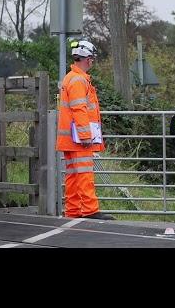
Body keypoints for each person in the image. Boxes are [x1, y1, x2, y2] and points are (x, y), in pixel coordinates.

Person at [56, 39, 115, 220]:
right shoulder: (79, 80)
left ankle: (73, 211)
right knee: (84, 174)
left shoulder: (70, 78)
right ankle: (90, 210)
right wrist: (85, 135)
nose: (93, 62)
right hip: (79, 138)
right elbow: (79, 109)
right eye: (93, 58)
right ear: (88, 59)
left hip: (69, 138)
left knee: (73, 176)